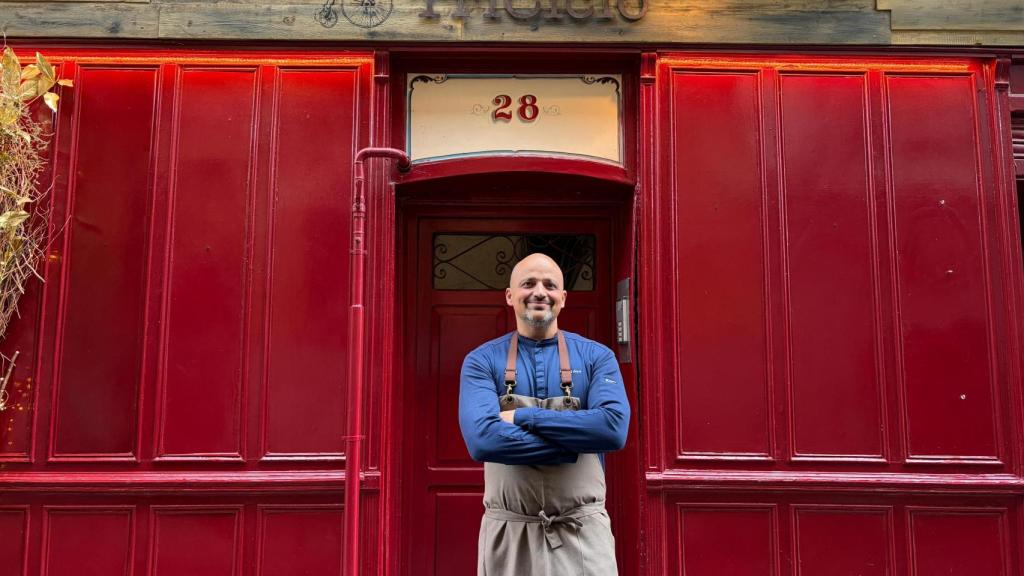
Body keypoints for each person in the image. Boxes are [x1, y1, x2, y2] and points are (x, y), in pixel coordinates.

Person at [459, 252, 631, 576]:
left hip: (582, 533)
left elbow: (612, 429)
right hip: (508, 535)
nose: (540, 291)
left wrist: (524, 418)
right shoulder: (481, 361)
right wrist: (573, 445)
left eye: (550, 284)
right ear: (510, 296)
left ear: (563, 298)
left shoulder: (598, 358)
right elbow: (483, 441)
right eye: (528, 283)